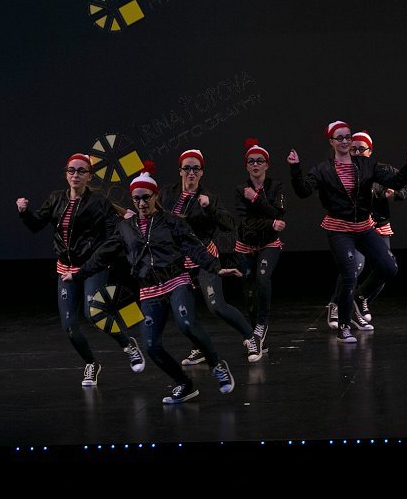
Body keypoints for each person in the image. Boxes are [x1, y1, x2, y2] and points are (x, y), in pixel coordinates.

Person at [64, 161, 241, 404]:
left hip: (176, 281)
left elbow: (194, 248)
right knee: (150, 346)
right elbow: (103, 255)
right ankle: (185, 384)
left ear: (155, 196)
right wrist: (78, 274)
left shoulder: (171, 222)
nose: (141, 203)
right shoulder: (126, 228)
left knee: (186, 324)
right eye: (136, 198)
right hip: (149, 290)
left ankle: (217, 364)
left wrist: (216, 268)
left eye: (146, 197)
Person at [16, 153, 145, 387]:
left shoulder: (99, 202)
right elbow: (36, 224)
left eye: (81, 171)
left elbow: (112, 234)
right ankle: (91, 363)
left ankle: (128, 344)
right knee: (69, 326)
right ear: (66, 174)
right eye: (71, 170)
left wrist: (124, 223)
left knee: (94, 313)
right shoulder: (56, 198)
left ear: (89, 176)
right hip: (66, 269)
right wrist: (24, 212)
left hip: (92, 266)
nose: (75, 174)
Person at [288, 121, 407, 343]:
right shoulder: (323, 169)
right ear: (331, 141)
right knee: (349, 274)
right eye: (340, 138)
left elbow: (396, 181)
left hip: (364, 228)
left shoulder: (366, 164)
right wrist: (295, 168)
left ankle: (359, 298)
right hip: (340, 230)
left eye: (348, 137)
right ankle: (344, 327)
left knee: (389, 268)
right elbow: (303, 191)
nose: (345, 141)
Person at [160, 149, 263, 366]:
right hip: (179, 263)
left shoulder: (209, 197)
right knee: (185, 314)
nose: (191, 172)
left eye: (196, 169)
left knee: (216, 305)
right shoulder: (167, 194)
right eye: (187, 168)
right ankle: (199, 347)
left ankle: (251, 337)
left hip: (205, 258)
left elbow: (229, 224)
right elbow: (155, 214)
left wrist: (210, 209)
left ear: (201, 172)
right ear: (180, 171)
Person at [324, 131, 407, 330]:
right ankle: (336, 305)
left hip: (379, 226)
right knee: (354, 266)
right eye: (354, 149)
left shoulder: (380, 169)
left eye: (362, 149)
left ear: (370, 151)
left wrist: (396, 194)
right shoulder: (345, 171)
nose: (357, 152)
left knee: (384, 268)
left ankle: (360, 299)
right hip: (356, 228)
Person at [234, 139, 286, 352]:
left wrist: (256, 198)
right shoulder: (240, 189)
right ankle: (254, 329)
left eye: (260, 161)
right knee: (248, 289)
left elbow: (279, 213)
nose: (256, 164)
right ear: (246, 166)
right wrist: (270, 222)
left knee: (262, 278)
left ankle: (261, 325)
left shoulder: (276, 186)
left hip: (269, 243)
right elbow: (245, 221)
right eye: (251, 161)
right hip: (245, 245)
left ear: (267, 164)